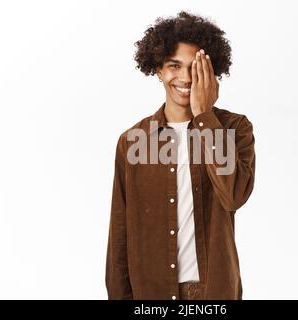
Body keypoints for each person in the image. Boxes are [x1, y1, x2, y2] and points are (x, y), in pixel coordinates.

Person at [106, 11, 256, 300]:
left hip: (212, 293)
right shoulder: (133, 142)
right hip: (151, 295)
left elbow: (234, 195)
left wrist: (205, 116)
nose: (185, 77)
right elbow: (119, 236)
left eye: (196, 67)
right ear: (159, 70)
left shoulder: (235, 128)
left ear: (211, 72)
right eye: (174, 65)